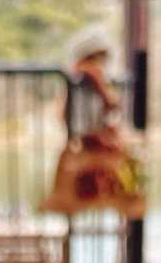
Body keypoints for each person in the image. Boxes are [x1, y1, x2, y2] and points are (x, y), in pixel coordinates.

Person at [40, 25, 146, 219]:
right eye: (100, 57)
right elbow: (111, 104)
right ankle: (123, 200)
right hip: (87, 137)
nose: (102, 63)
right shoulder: (88, 75)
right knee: (127, 162)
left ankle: (113, 200)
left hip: (83, 137)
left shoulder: (80, 77)